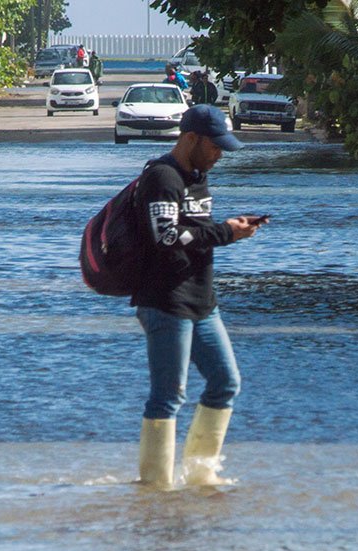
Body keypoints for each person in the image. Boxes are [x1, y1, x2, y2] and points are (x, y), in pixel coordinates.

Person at [132, 105, 264, 488]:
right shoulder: (162, 177)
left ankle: (200, 477)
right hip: (165, 301)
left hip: (202, 301)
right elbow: (166, 238)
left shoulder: (198, 177)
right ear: (190, 138)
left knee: (225, 382)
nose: (220, 153)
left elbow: (196, 231)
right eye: (215, 145)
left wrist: (232, 228)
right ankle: (156, 487)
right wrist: (226, 233)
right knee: (168, 396)